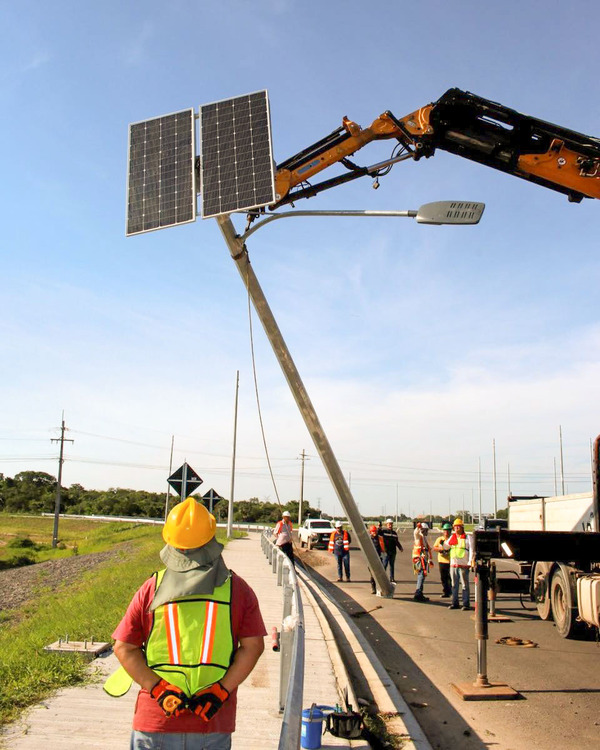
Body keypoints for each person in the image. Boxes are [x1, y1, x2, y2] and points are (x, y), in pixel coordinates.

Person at [104, 497, 267, 750]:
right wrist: (220, 691)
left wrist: (159, 689)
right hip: (212, 718)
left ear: (170, 542)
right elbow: (253, 647)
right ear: (212, 539)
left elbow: (123, 647)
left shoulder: (151, 589)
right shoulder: (239, 590)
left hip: (157, 718)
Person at [444, 517, 473, 610]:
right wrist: (444, 542)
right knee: (454, 585)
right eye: (455, 527)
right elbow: (446, 547)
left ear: (462, 527)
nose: (456, 529)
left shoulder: (468, 538)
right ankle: (455, 603)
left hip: (464, 565)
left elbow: (472, 550)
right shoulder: (452, 537)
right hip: (454, 564)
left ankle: (466, 604)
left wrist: (470, 561)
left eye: (458, 527)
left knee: (465, 585)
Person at [412, 522, 433, 602]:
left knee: (422, 575)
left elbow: (427, 549)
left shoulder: (424, 538)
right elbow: (415, 533)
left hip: (423, 559)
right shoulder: (418, 536)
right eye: (426, 530)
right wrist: (418, 528)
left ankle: (420, 593)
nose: (427, 532)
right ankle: (418, 593)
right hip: (419, 559)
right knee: (421, 574)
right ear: (423, 530)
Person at [379, 518, 404, 583]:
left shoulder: (394, 533)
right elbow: (378, 533)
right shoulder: (383, 532)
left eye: (391, 524)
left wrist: (400, 547)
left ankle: (392, 578)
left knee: (392, 565)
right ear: (386, 525)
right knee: (384, 565)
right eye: (389, 524)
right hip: (386, 551)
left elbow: (396, 542)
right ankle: (382, 578)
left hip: (393, 552)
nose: (390, 525)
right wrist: (379, 527)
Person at [432, 523, 453, 598]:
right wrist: (441, 549)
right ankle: (446, 592)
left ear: (450, 531)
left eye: (448, 531)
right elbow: (434, 548)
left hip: (451, 561)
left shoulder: (452, 539)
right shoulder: (440, 539)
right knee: (443, 577)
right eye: (445, 531)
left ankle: (451, 591)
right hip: (442, 561)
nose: (446, 532)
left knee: (451, 578)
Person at [368, 524, 385, 594]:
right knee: (372, 575)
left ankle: (381, 589)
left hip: (379, 559)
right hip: (371, 560)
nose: (374, 533)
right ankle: (373, 588)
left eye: (375, 531)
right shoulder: (368, 539)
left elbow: (383, 549)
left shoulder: (380, 538)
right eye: (373, 531)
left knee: (380, 575)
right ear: (370, 532)